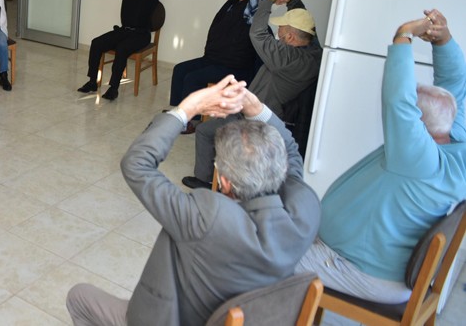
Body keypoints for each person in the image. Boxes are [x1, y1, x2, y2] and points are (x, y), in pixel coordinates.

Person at [66, 76, 320, 326]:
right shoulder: (305, 209)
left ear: (225, 181)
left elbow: (136, 165)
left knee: (79, 297)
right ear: (280, 167)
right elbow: (291, 151)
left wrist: (188, 108)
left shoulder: (207, 217)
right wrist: (256, 109)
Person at [295, 10, 466, 304]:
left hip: (358, 269)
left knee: (262, 258)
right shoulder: (452, 138)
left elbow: (399, 101)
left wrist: (404, 35)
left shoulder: (419, 159)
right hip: (370, 262)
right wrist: (443, 40)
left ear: (418, 126)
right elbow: (456, 84)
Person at [183, 0, 323, 190]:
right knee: (210, 125)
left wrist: (268, 2)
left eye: (281, 29)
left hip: (255, 120)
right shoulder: (315, 53)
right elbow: (307, 26)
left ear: (291, 38)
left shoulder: (285, 57)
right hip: (267, 114)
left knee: (206, 131)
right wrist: (293, 0)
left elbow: (257, 33)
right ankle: (214, 175)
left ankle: (206, 181)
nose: (278, 32)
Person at [168, 0, 268, 131]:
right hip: (213, 58)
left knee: (193, 78)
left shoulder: (250, 11)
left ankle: (192, 121)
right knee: (180, 69)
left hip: (232, 66)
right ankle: (179, 113)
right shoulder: (232, 1)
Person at [78, 0, 176, 101]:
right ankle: (92, 82)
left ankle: (113, 88)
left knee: (122, 49)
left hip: (141, 35)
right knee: (96, 43)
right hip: (124, 31)